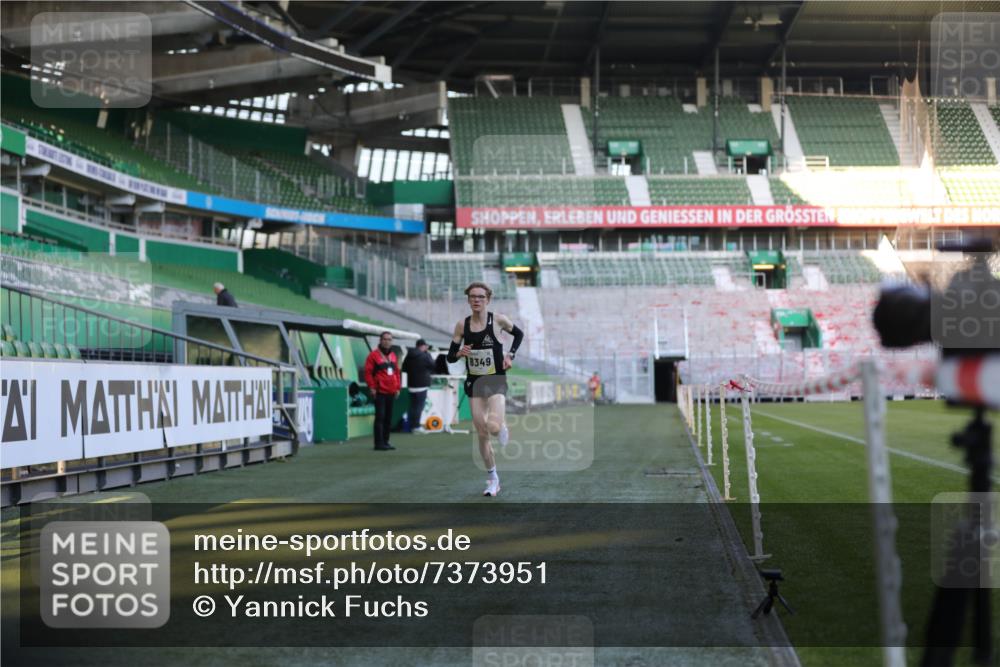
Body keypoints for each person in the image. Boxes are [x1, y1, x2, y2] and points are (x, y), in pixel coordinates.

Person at [446, 282, 524, 497]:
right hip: (474, 381)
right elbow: (450, 356)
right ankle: (493, 480)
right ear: (468, 299)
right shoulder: (462, 325)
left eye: (481, 297)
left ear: (488, 299)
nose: (476, 300)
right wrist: (460, 352)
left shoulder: (498, 320)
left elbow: (519, 334)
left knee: (493, 426)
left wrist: (510, 355)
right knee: (481, 433)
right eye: (472, 297)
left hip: (496, 378)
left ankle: (502, 426)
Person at [364, 331, 401, 451]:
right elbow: (368, 373)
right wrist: (372, 387)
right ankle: (378, 443)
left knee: (388, 418)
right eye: (385, 339)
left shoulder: (394, 356)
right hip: (379, 392)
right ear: (380, 340)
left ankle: (386, 441)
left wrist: (398, 388)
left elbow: (396, 373)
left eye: (389, 339)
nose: (387, 341)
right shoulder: (373, 356)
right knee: (380, 417)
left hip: (391, 392)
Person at [403, 338, 435, 434]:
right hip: (422, 384)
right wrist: (428, 354)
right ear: (422, 346)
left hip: (411, 384)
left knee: (413, 406)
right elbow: (433, 365)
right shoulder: (425, 356)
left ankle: (410, 426)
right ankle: (416, 427)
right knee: (419, 407)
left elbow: (404, 368)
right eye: (425, 346)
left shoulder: (409, 355)